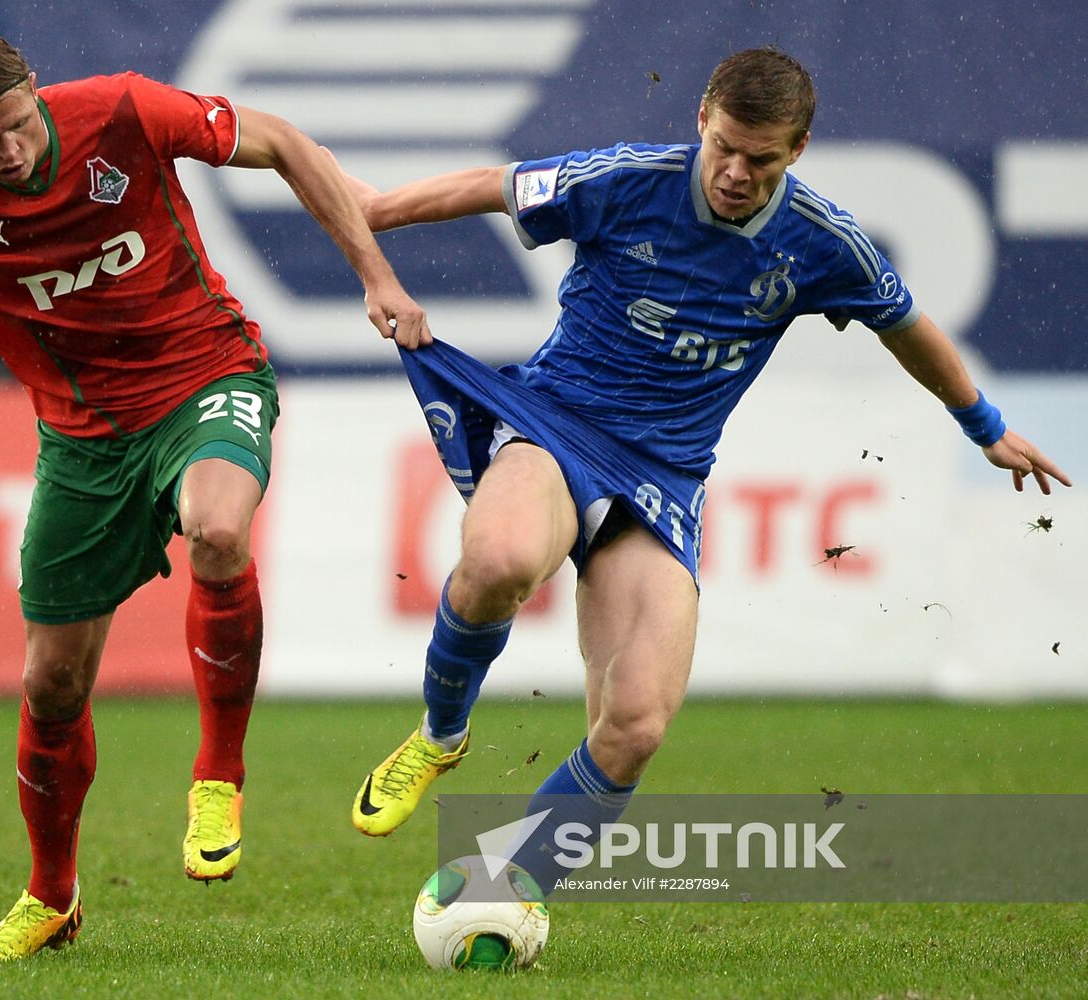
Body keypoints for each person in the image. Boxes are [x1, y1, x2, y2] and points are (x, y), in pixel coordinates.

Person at [0, 27, 429, 961]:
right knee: (50, 684)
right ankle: (51, 896)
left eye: (16, 124)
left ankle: (218, 772)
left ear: (38, 95)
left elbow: (288, 144)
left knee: (216, 529)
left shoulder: (123, 110)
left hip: (205, 376)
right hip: (82, 442)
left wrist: (376, 279)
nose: (8, 150)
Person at [343, 48, 1070, 890]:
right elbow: (495, 186)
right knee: (498, 561)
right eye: (723, 145)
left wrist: (982, 423)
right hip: (556, 427)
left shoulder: (822, 243)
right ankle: (439, 736)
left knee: (635, 726)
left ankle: (509, 888)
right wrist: (378, 211)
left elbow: (902, 323)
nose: (733, 171)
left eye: (759, 158)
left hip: (664, 484)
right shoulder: (626, 180)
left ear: (795, 151)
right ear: (700, 119)